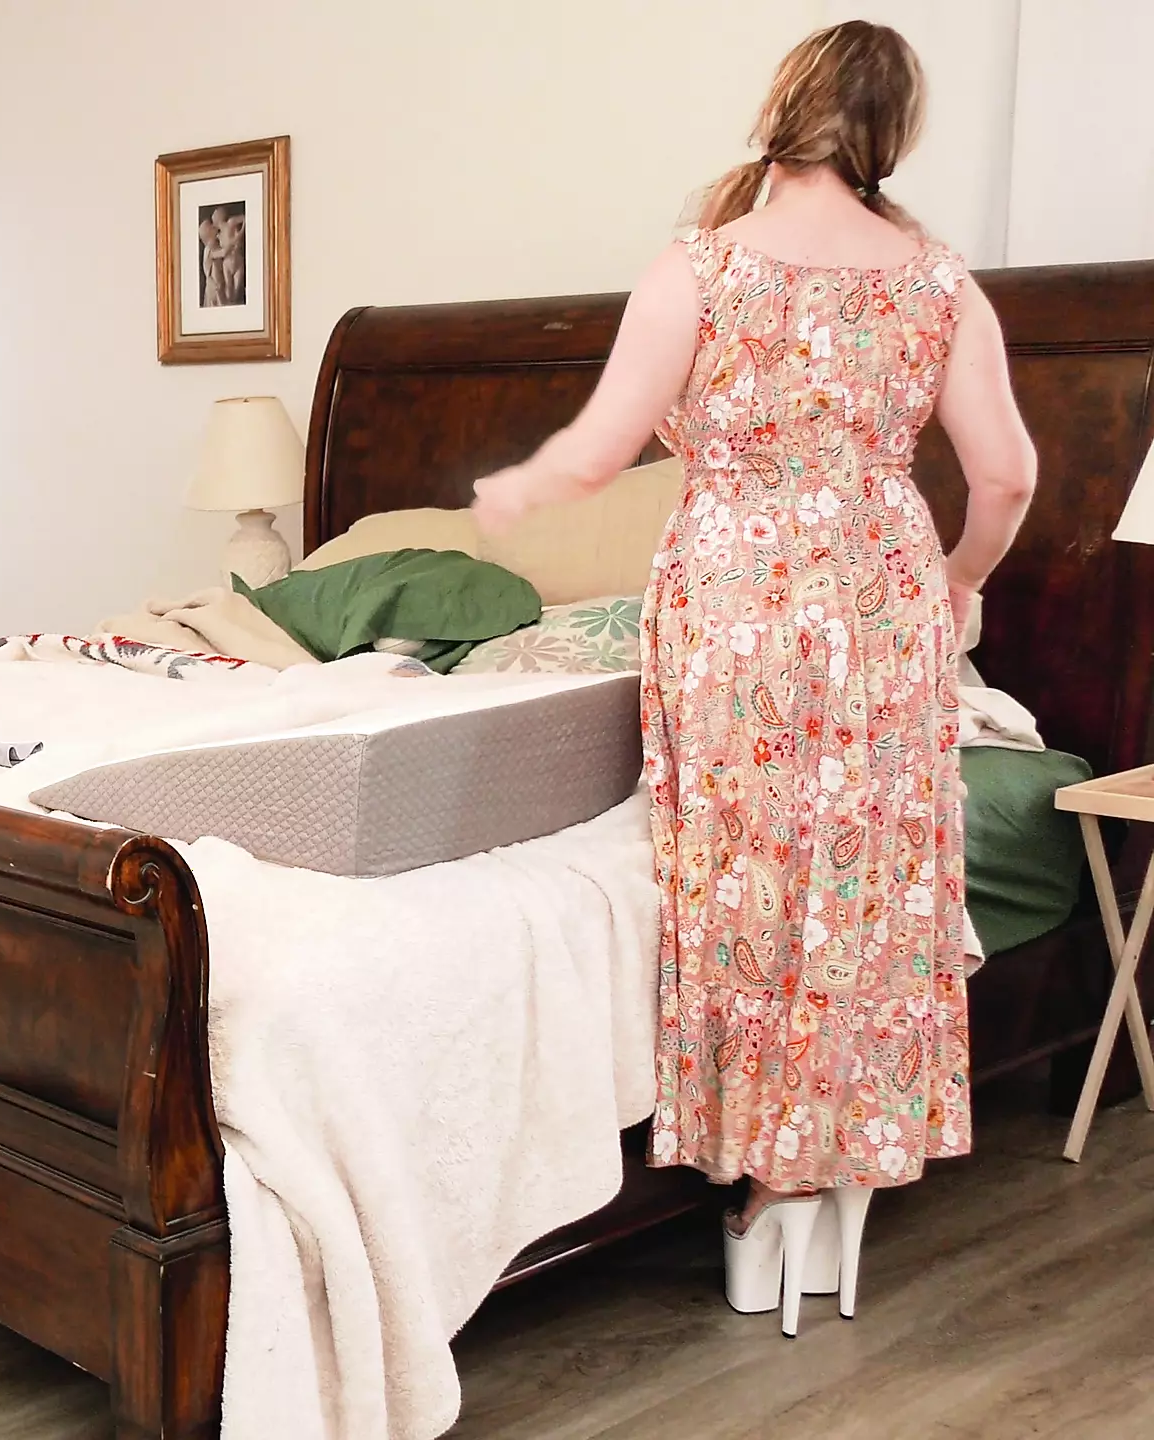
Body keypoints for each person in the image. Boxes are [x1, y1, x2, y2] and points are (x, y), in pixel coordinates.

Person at [470, 20, 1037, 1335]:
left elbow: (599, 451)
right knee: (862, 885)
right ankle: (834, 1176)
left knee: (748, 879)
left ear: (782, 107)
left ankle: (759, 1185)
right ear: (892, 131)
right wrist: (958, 577)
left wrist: (510, 493)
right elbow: (1006, 475)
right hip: (882, 596)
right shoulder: (941, 281)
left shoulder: (701, 267)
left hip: (733, 603)